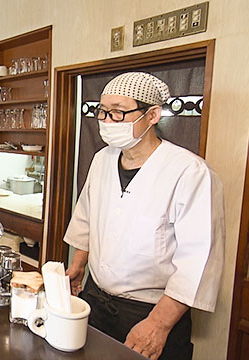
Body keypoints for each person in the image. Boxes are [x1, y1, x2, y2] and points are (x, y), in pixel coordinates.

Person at [64, 72, 224, 360]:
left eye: (118, 113)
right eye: (102, 112)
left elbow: (198, 259)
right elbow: (86, 216)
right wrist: (78, 264)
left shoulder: (190, 172)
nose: (107, 121)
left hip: (150, 312)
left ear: (152, 115)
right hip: (95, 300)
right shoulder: (102, 159)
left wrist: (158, 325)